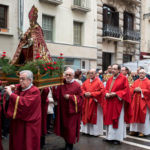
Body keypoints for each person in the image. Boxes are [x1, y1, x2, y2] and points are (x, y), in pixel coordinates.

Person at [4, 70, 41, 150]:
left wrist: (11, 94)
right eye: (20, 79)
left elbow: (25, 104)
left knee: (27, 145)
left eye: (22, 79)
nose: (20, 81)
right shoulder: (21, 88)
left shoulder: (34, 91)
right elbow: (18, 85)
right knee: (17, 144)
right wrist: (13, 86)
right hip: (18, 122)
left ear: (30, 80)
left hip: (29, 124)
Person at [54, 68, 83, 150]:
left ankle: (70, 145)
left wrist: (70, 97)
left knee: (71, 129)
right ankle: (67, 142)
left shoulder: (77, 85)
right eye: (66, 74)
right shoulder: (61, 84)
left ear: (73, 76)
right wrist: (54, 88)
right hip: (63, 110)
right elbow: (56, 96)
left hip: (72, 112)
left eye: (70, 75)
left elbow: (81, 98)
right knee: (65, 128)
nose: (68, 76)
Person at [104, 64, 131, 145]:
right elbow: (106, 89)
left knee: (117, 120)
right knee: (109, 119)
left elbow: (126, 90)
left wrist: (116, 94)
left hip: (118, 103)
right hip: (110, 102)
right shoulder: (110, 79)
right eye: (112, 69)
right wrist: (106, 94)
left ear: (119, 70)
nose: (113, 70)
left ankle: (117, 138)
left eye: (115, 69)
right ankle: (109, 137)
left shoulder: (123, 79)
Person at [80, 69, 104, 136]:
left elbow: (102, 91)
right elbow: (82, 89)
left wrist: (92, 94)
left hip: (94, 102)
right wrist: (85, 93)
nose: (90, 74)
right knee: (86, 115)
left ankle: (95, 132)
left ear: (95, 74)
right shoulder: (86, 81)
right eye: (89, 73)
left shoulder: (99, 82)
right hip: (87, 101)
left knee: (94, 116)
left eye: (92, 73)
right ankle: (86, 131)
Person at [129, 69, 150, 136]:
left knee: (143, 116)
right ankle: (134, 130)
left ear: (145, 74)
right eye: (140, 73)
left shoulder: (148, 82)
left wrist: (141, 90)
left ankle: (142, 131)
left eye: (142, 73)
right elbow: (131, 89)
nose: (141, 74)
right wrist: (134, 89)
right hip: (135, 102)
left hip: (144, 102)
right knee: (134, 115)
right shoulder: (136, 81)